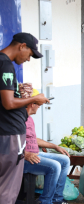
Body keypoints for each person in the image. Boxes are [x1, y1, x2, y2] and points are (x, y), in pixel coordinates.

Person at [0, 32, 49, 204]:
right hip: (9, 134)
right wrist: (35, 99)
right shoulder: (5, 64)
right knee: (8, 186)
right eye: (30, 54)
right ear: (22, 46)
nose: (29, 59)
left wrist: (18, 92)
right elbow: (8, 103)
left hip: (4, 133)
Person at [23, 89, 70, 204]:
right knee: (54, 166)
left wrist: (54, 146)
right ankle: (46, 201)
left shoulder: (30, 119)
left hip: (36, 154)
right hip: (24, 158)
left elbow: (33, 139)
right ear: (32, 103)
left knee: (65, 160)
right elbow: (11, 142)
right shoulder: (19, 119)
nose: (39, 107)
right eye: (38, 104)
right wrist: (25, 154)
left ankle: (57, 199)